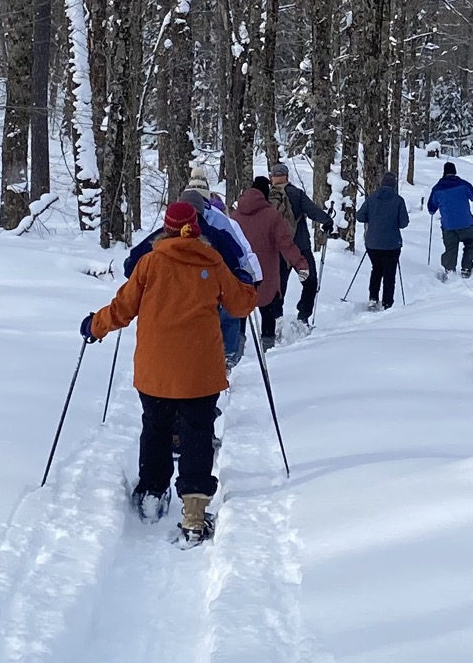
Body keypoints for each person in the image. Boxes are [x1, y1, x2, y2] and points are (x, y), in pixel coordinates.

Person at [83, 199, 257, 543]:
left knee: (156, 428)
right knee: (197, 433)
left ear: (166, 227)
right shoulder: (213, 260)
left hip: (155, 369)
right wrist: (247, 284)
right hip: (200, 370)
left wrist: (95, 325)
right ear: (196, 226)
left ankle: (152, 491)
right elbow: (241, 303)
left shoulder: (150, 263)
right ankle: (193, 511)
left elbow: (121, 309)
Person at [124, 168, 262, 365]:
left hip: (167, 309)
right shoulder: (218, 233)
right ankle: (226, 359)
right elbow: (237, 261)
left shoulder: (161, 235)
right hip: (209, 301)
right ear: (202, 208)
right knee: (223, 321)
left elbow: (130, 265)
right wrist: (245, 280)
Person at [231, 176, 313, 349]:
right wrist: (300, 264)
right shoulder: (272, 216)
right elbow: (286, 243)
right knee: (267, 311)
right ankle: (268, 349)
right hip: (266, 274)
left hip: (240, 274)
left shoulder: (234, 216)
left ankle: (236, 352)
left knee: (240, 314)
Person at [264, 161, 334, 329]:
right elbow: (312, 211)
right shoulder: (296, 194)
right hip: (300, 247)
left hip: (278, 250)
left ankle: (277, 319)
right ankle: (303, 317)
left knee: (278, 286)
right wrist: (327, 221)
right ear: (287, 176)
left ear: (271, 178)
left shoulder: (266, 197)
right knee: (310, 282)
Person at [355, 175, 409, 309]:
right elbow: (403, 223)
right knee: (389, 274)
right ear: (394, 185)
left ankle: (373, 298)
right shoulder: (398, 200)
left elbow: (360, 216)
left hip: (373, 243)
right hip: (392, 243)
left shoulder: (372, 198)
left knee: (376, 270)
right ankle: (387, 303)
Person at [427, 160, 473, 281]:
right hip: (466, 223)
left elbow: (431, 208)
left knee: (450, 248)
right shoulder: (463, 184)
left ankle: (449, 270)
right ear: (455, 172)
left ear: (444, 173)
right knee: (471, 244)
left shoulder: (437, 189)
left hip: (449, 226)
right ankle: (466, 268)